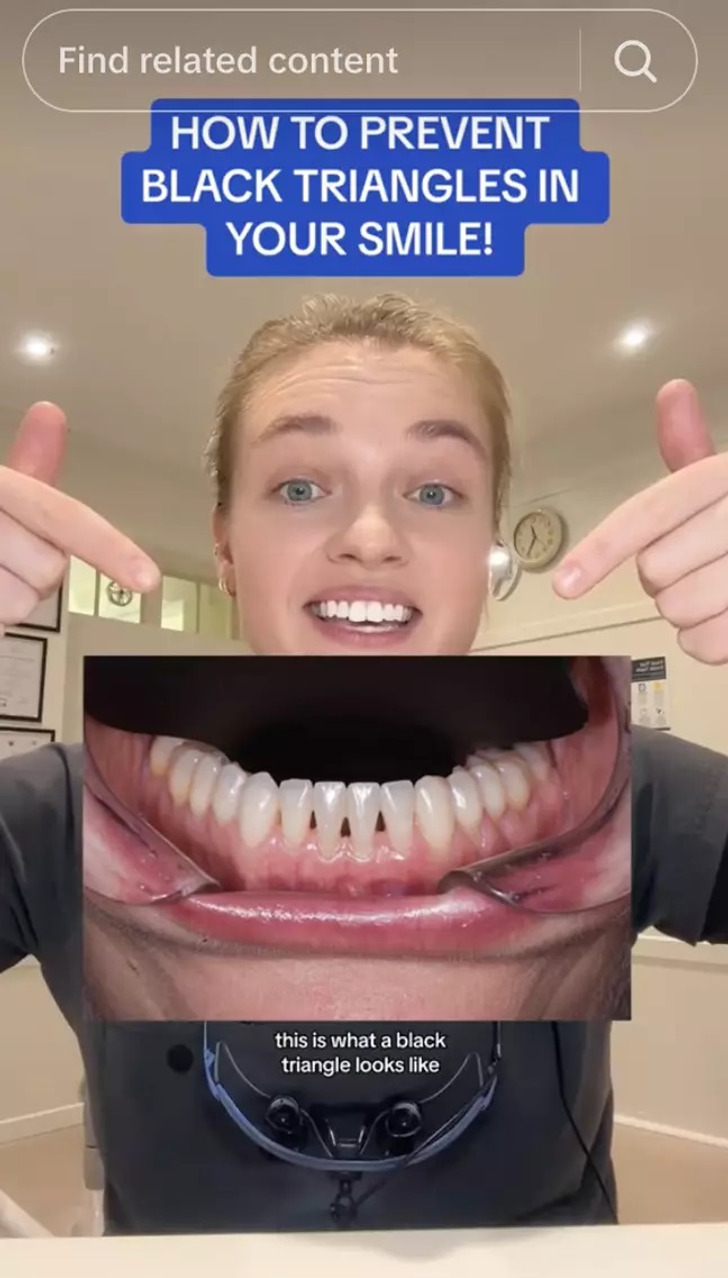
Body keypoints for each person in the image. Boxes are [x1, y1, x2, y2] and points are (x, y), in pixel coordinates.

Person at [0, 293, 726, 1234]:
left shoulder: (634, 786)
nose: (373, 538)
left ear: (485, 552)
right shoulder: (56, 813)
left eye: (434, 491)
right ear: (225, 545)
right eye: (301, 487)